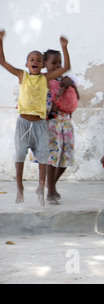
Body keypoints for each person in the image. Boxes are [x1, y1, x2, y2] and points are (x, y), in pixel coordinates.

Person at [0, 30, 70, 206]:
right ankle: (19, 187)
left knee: (43, 158)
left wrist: (64, 47)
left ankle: (41, 187)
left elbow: (66, 68)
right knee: (19, 156)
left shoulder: (45, 78)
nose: (35, 62)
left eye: (39, 60)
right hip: (23, 123)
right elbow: (2, 61)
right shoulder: (22, 75)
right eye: (32, 59)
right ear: (26, 63)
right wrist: (0, 41)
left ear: (42, 65)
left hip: (40, 124)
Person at [44, 49, 79, 205]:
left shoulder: (64, 79)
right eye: (53, 63)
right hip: (52, 123)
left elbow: (76, 98)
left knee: (66, 157)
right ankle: (50, 191)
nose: (57, 65)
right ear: (45, 64)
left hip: (66, 123)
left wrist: (71, 84)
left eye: (59, 63)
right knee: (52, 158)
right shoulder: (43, 79)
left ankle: (51, 184)